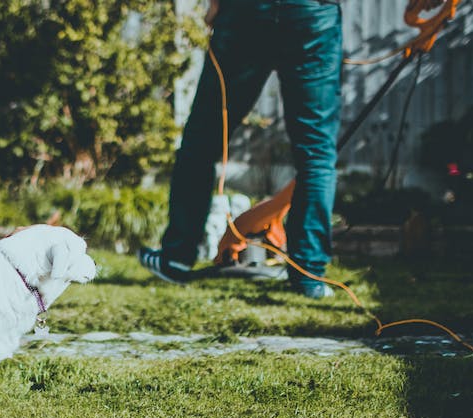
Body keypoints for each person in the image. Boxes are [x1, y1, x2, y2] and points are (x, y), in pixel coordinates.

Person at [138, 0, 343, 299]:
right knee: (317, 153)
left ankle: (177, 258)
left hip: (248, 12)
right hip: (312, 16)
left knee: (204, 138)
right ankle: (309, 276)